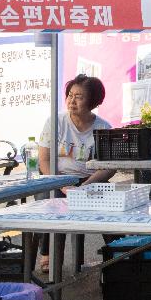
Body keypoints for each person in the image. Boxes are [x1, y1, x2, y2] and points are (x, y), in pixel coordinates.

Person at [37, 74, 115, 272]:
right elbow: (44, 160)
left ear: (93, 101)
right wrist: (59, 184)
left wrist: (83, 186)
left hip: (89, 180)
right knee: (53, 201)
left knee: (111, 204)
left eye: (79, 97)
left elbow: (109, 167)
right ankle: (49, 253)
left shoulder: (103, 127)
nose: (72, 101)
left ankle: (118, 252)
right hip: (57, 177)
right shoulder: (56, 121)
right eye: (70, 95)